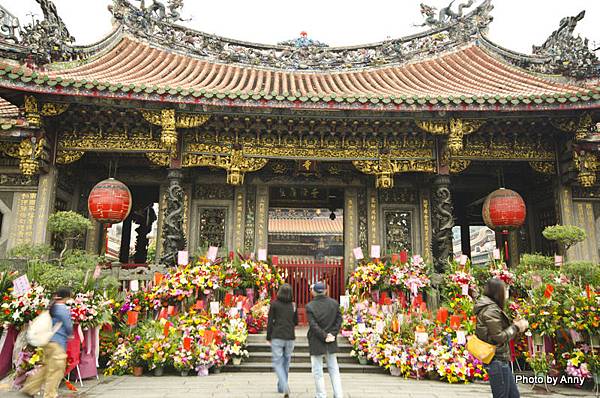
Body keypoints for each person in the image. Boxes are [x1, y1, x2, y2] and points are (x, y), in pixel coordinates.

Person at [474, 278, 528, 398]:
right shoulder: (491, 310)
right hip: (496, 359)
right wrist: (516, 327)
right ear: (498, 292)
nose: (506, 293)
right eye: (505, 289)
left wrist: (512, 325)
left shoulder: (491, 308)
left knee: (513, 395)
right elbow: (498, 337)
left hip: (500, 359)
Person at [22, 287, 74, 398]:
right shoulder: (62, 308)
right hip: (57, 342)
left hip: (48, 341)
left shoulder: (52, 306)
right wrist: (70, 334)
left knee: (46, 367)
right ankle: (50, 394)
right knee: (56, 369)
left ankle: (30, 388)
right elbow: (68, 324)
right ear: (66, 297)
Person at [305, 281, 343, 398]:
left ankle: (321, 395)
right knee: (334, 369)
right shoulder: (334, 303)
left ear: (314, 292)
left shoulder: (310, 306)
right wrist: (332, 334)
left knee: (317, 371)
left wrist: (324, 336)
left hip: (317, 341)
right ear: (325, 290)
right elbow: (339, 320)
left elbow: (313, 325)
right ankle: (338, 394)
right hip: (331, 341)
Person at [266, 283, 298, 398]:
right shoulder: (293, 305)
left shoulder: (274, 305)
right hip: (290, 336)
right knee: (286, 361)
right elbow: (296, 322)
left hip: (277, 335)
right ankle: (281, 386)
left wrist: (268, 336)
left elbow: (270, 322)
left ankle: (284, 386)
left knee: (277, 362)